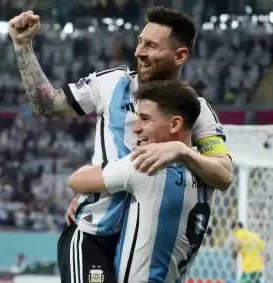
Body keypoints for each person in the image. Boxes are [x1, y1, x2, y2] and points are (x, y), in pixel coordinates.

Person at [9, 6, 232, 283]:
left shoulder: (194, 109)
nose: (139, 52)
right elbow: (48, 105)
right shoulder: (112, 83)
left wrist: (183, 151)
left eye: (151, 45)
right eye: (140, 42)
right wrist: (22, 46)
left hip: (148, 245)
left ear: (180, 55)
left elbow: (224, 174)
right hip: (95, 236)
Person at [68, 80, 213, 282]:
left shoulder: (146, 165)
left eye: (145, 119)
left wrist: (86, 190)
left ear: (175, 124)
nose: (136, 128)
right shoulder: (206, 171)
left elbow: (76, 180)